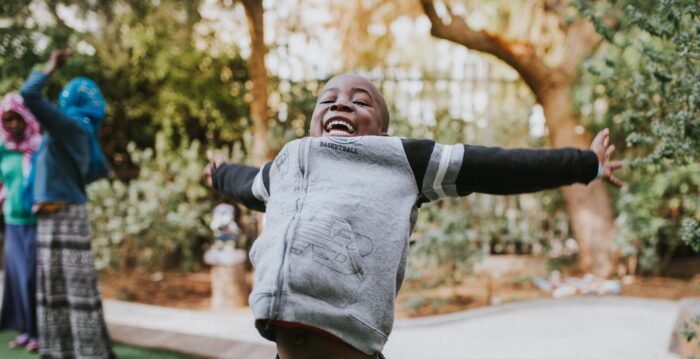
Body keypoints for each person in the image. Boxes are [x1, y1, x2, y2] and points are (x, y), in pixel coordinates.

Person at [205, 73, 623, 358]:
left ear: (382, 131)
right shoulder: (289, 162)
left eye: (359, 101)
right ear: (314, 122)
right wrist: (221, 174)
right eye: (328, 100)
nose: (341, 104)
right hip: (282, 340)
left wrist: (583, 164)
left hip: (348, 337)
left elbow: (493, 166)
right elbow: (248, 183)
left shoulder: (401, 158)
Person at [20, 49, 114, 358]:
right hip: (61, 214)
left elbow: (29, 94)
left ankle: (81, 351)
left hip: (62, 216)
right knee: (65, 289)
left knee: (68, 289)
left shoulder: (69, 126)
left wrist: (51, 66)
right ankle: (71, 350)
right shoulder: (81, 131)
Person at [0, 93, 43, 352]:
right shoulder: (3, 149)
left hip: (36, 222)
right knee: (16, 279)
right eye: (8, 119)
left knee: (32, 278)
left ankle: (40, 332)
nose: (14, 124)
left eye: (17, 119)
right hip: (12, 222)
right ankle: (25, 331)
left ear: (27, 118)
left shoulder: (39, 145)